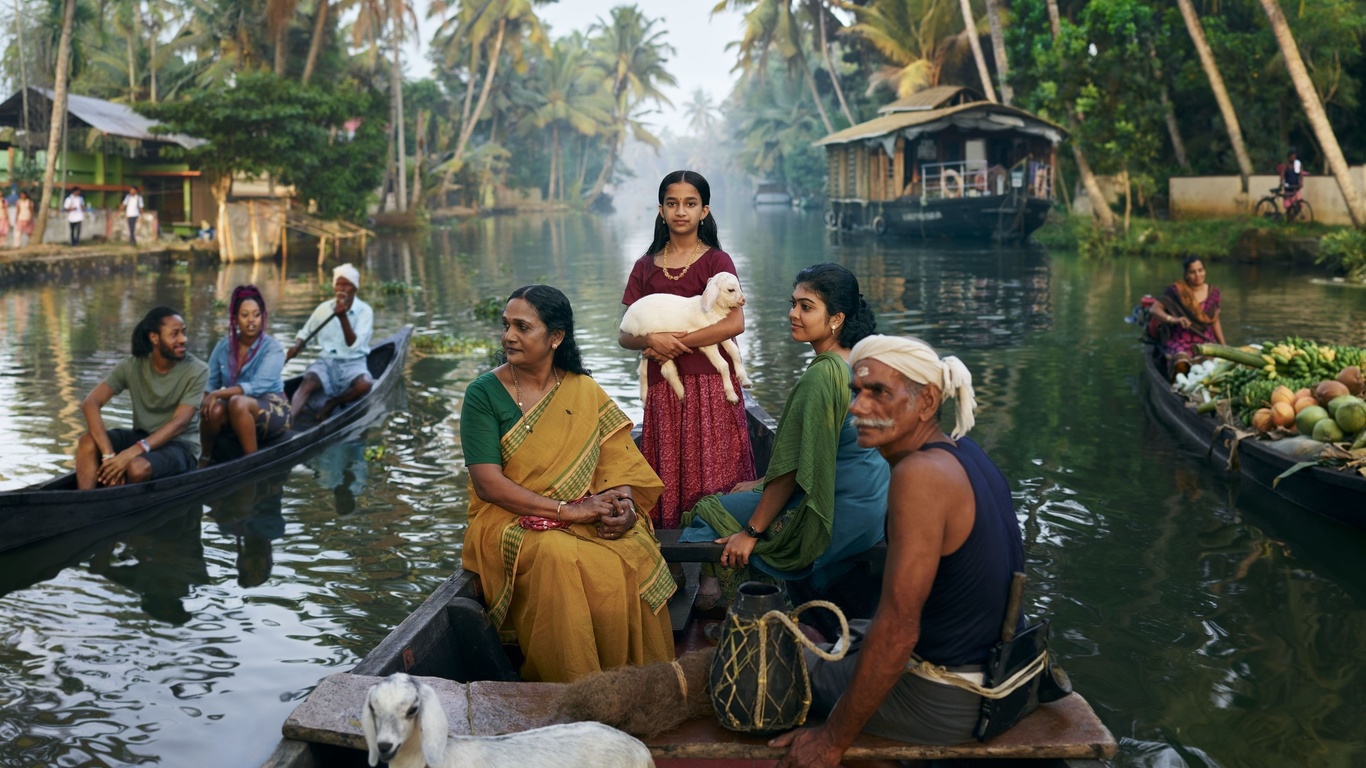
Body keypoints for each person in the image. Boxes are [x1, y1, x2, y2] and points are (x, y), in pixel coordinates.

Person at [771, 335, 1024, 766]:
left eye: (878, 393)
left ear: (926, 402)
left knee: (767, 672)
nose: (857, 407)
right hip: (1000, 677)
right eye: (857, 393)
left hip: (949, 697)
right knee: (855, 633)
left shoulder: (919, 476)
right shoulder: (966, 453)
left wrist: (831, 742)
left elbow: (899, 629)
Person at [461, 285, 675, 683]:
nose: (508, 336)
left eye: (522, 327)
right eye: (506, 325)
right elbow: (488, 484)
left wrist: (625, 508)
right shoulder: (483, 395)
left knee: (632, 548)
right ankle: (575, 687)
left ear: (556, 337)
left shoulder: (582, 389)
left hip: (581, 510)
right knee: (559, 556)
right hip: (508, 520)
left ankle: (632, 683)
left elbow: (619, 463)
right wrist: (568, 511)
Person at [680, 263, 889, 611]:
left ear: (836, 318)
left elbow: (795, 470)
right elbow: (824, 454)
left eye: (806, 307)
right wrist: (762, 481)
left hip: (831, 516)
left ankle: (741, 604)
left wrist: (750, 534)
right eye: (793, 303)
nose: (793, 314)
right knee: (745, 492)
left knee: (708, 511)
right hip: (869, 507)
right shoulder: (865, 362)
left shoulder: (822, 377)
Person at [619, 170, 756, 537]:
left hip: (713, 386)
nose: (681, 211)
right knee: (668, 469)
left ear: (704, 211)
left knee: (715, 469)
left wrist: (679, 340)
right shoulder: (645, 266)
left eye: (690, 204)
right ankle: (674, 561)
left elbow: (735, 324)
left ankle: (713, 565)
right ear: (661, 210)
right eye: (672, 203)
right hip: (665, 388)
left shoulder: (717, 262)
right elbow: (625, 335)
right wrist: (651, 338)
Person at [74, 307, 210, 489]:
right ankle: (86, 504)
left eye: (183, 333)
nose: (183, 339)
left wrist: (130, 454)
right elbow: (90, 403)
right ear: (154, 338)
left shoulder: (198, 370)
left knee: (137, 468)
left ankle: (112, 499)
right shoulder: (131, 366)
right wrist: (108, 455)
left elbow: (180, 424)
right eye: (175, 334)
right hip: (143, 436)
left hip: (180, 446)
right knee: (87, 442)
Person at [200, 285, 292, 463]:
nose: (251, 320)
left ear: (262, 317)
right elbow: (209, 386)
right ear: (235, 319)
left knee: (237, 402)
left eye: (256, 315)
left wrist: (217, 394)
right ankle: (204, 458)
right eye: (245, 315)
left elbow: (256, 387)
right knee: (215, 408)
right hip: (236, 409)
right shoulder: (223, 346)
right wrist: (201, 410)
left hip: (274, 409)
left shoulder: (273, 349)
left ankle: (252, 461)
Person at [286, 263, 373, 420]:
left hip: (353, 362)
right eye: (338, 284)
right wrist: (298, 345)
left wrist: (343, 317)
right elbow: (306, 333)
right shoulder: (323, 308)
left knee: (364, 384)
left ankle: (333, 403)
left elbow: (353, 344)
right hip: (326, 361)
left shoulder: (365, 311)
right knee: (309, 380)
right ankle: (288, 421)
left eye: (346, 284)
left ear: (355, 288)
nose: (341, 288)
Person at [1149, 256, 1226, 378]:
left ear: (1205, 271)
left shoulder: (1213, 292)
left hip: (1205, 340)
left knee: (1214, 366)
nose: (1198, 275)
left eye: (1200, 270)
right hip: (1181, 341)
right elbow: (1154, 309)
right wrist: (1174, 319)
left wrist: (1223, 346)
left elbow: (1215, 321)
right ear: (1185, 275)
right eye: (1192, 272)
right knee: (1181, 363)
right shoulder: (1177, 290)